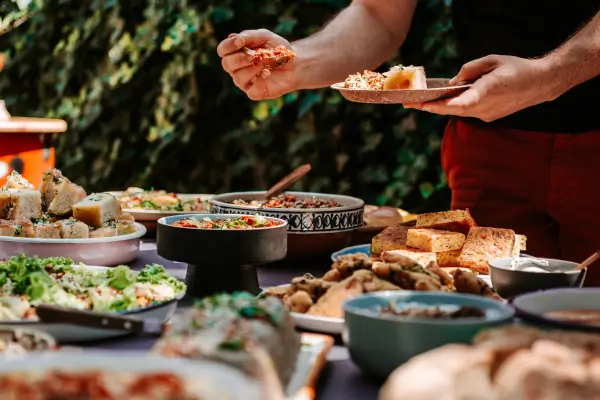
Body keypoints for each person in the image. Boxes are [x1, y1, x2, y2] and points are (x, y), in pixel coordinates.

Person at [218, 1, 600, 285]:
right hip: (490, 149)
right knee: (489, 323)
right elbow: (378, 15)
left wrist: (549, 75)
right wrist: (300, 62)